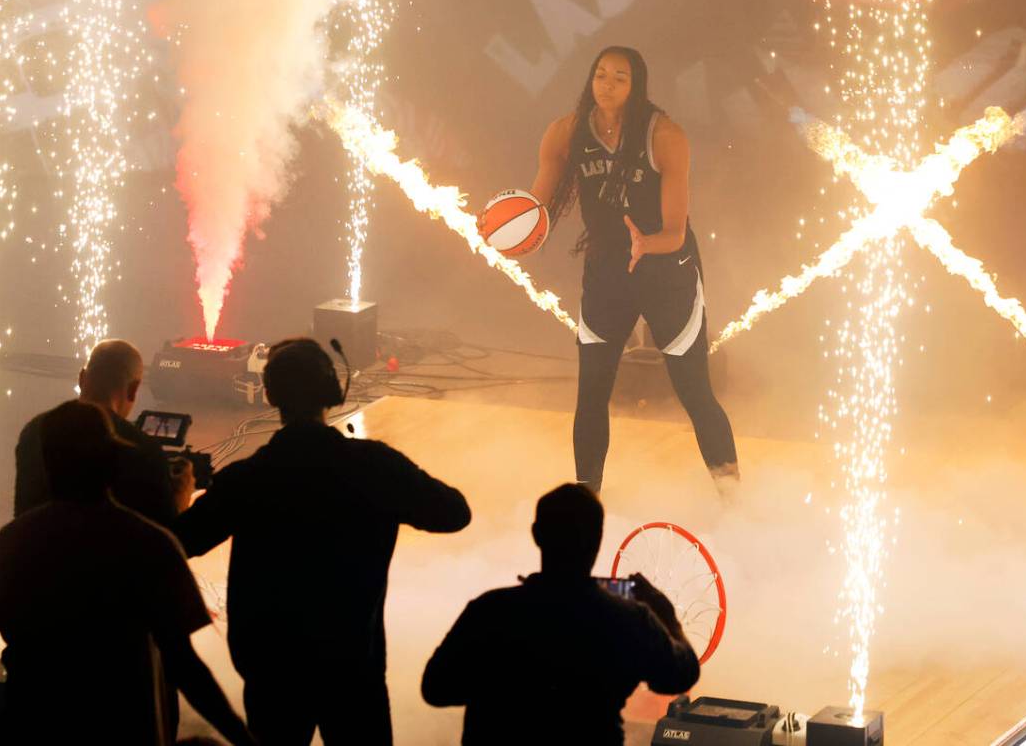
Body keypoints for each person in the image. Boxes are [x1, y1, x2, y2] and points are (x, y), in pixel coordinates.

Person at [172, 337, 472, 745]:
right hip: (352, 668)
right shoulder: (376, 466)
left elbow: (178, 542)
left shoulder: (248, 478)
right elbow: (455, 513)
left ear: (271, 394)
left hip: (272, 671)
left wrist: (175, 496)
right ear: (334, 391)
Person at [521, 45, 738, 496]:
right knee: (592, 393)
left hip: (666, 270)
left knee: (695, 393)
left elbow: (676, 232)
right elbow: (535, 209)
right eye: (601, 74)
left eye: (620, 77)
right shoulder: (565, 133)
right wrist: (512, 229)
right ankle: (588, 500)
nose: (608, 84)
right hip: (609, 271)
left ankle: (733, 497)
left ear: (636, 85)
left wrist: (647, 244)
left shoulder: (665, 137)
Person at [0, 400, 254, 746]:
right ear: (112, 461)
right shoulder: (150, 543)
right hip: (124, 727)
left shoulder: (13, 540)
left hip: (28, 725)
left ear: (47, 464)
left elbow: (2, 623)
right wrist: (240, 736)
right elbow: (184, 664)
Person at [421, 483, 699, 745]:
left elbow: (435, 689)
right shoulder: (629, 619)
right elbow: (682, 675)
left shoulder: (490, 609)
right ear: (598, 538)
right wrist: (666, 613)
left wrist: (504, 689)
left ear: (536, 534)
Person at [14, 338, 181, 525]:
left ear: (82, 378)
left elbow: (23, 512)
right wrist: (179, 500)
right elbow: (167, 538)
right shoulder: (144, 450)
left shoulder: (34, 431)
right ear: (133, 390)